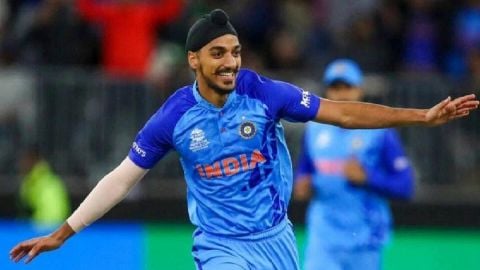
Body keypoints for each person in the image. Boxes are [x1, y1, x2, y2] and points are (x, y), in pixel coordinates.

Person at [9, 9, 479, 269]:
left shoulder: (264, 93)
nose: (231, 62)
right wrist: (63, 232)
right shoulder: (174, 117)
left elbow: (343, 114)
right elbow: (121, 179)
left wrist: (421, 115)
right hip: (219, 245)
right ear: (194, 60)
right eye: (218, 54)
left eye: (234, 51)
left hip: (276, 243)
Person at [294, 59, 414, 270]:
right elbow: (305, 169)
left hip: (364, 237)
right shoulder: (314, 131)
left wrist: (368, 178)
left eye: (347, 87)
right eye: (335, 87)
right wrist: (302, 184)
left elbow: (405, 186)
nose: (341, 94)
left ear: (359, 90)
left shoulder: (380, 132)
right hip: (324, 236)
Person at [17, 145, 71, 226]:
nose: (22, 164)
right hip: (59, 223)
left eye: (25, 160)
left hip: (42, 224)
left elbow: (25, 205)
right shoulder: (50, 177)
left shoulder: (33, 180)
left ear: (32, 160)